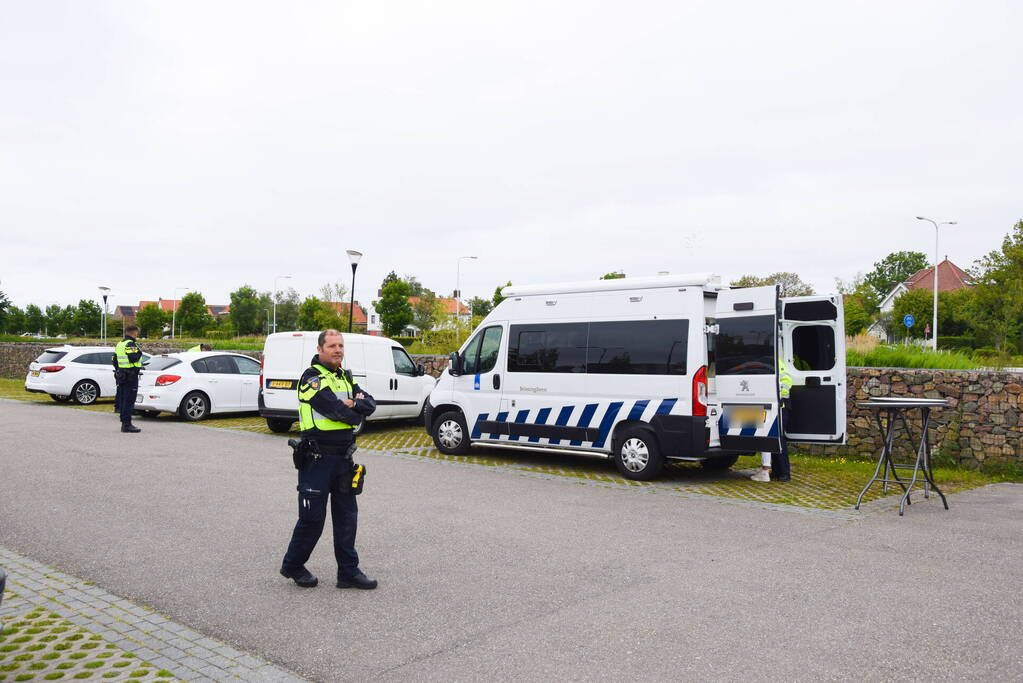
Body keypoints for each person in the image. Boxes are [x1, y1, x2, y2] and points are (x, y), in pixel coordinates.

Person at [280, 329, 378, 590]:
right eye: (332, 346)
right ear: (320, 349)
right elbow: (335, 412)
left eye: (341, 346)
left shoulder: (344, 377)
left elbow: (370, 403)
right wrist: (352, 408)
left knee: (347, 517)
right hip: (317, 458)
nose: (338, 350)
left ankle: (348, 572)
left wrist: (354, 404)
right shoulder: (310, 378)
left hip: (344, 459)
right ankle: (293, 565)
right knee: (312, 519)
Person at [751, 350, 794, 482]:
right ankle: (777, 471)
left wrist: (776, 396)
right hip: (780, 404)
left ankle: (784, 473)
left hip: (780, 405)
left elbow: (785, 382)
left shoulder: (771, 362)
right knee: (773, 438)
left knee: (778, 439)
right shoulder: (772, 361)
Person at [113, 325, 144, 433]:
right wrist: (140, 351)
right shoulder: (130, 344)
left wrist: (120, 370)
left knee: (123, 399)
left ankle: (124, 422)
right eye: (137, 333)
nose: (137, 335)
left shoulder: (120, 344)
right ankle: (127, 424)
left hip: (122, 375)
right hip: (130, 376)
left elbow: (114, 360)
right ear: (134, 333)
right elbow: (134, 358)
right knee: (129, 400)